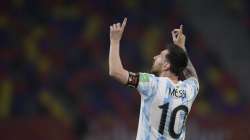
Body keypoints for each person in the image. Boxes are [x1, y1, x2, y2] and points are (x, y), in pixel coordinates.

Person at [109, 17, 199, 140]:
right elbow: (192, 76)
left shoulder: (152, 84)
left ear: (166, 65)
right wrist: (181, 48)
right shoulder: (188, 90)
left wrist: (115, 41)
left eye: (160, 56)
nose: (155, 57)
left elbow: (115, 71)